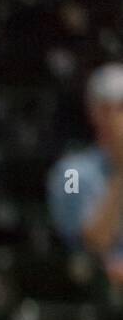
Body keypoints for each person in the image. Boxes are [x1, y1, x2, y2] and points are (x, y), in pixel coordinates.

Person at [48, 63, 123, 285]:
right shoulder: (71, 172)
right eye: (117, 108)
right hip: (92, 288)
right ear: (95, 112)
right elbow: (92, 243)